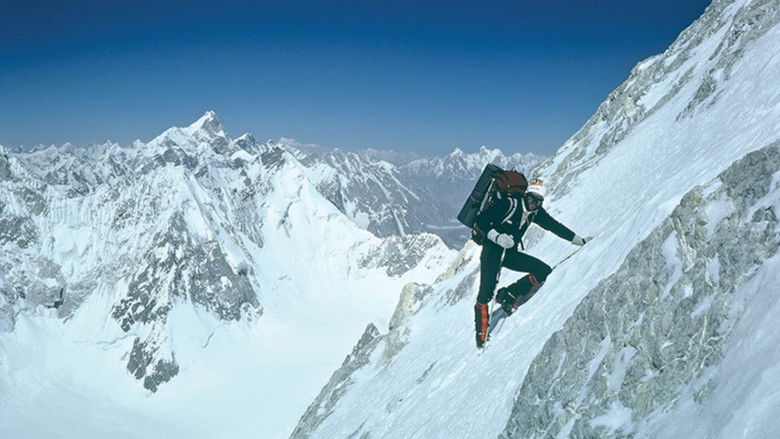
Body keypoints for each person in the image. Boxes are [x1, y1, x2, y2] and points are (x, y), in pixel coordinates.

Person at [472, 173, 588, 348]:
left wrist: (578, 240)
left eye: (538, 201)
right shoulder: (509, 203)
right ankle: (481, 338)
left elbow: (553, 226)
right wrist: (497, 237)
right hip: (492, 252)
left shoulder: (535, 213)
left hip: (509, 253)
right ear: (525, 195)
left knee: (543, 271)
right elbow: (480, 221)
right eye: (532, 199)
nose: (534, 204)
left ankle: (508, 295)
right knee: (485, 295)